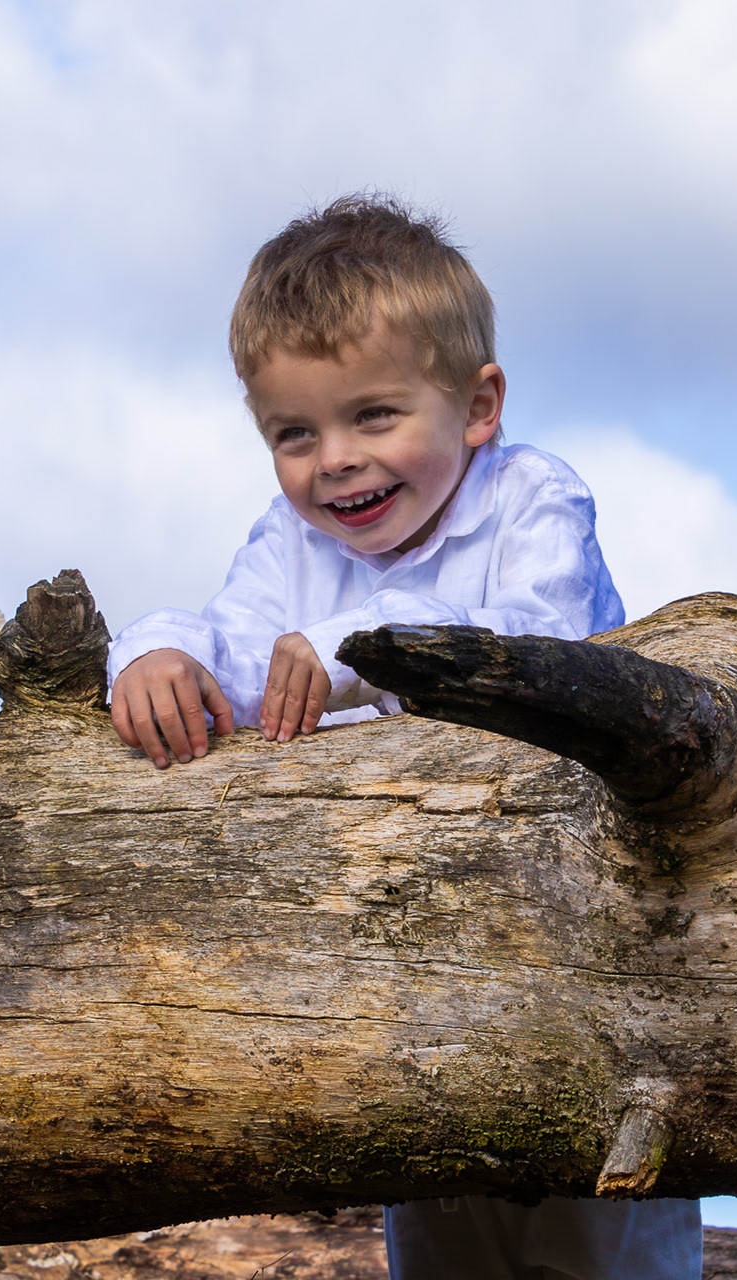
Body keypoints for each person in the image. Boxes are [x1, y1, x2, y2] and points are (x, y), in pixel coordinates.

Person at [105, 195, 702, 1280]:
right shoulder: (289, 539)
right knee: (443, 1247)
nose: (333, 460)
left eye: (374, 415)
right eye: (294, 432)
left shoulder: (533, 497)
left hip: (588, 965)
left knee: (602, 1250)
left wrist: (358, 647)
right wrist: (152, 652)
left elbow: (546, 642)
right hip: (415, 980)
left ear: (478, 406)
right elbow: (236, 657)